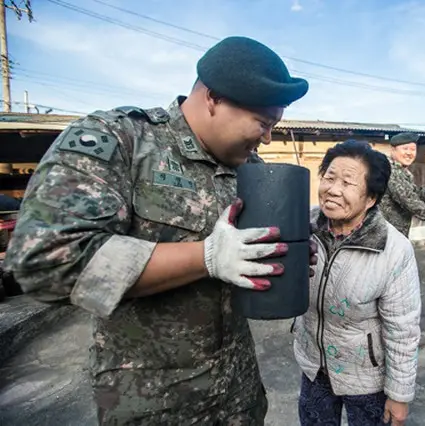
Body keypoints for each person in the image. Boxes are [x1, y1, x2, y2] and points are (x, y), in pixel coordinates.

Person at [3, 36, 315, 425]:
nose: (267, 138)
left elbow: (245, 252)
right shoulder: (122, 139)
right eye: (264, 123)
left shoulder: (247, 168)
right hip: (153, 404)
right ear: (214, 98)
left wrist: (278, 254)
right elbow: (46, 264)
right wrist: (206, 257)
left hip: (239, 397)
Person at [293, 140, 421, 426]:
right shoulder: (301, 226)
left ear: (371, 198)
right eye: (329, 177)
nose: (334, 190)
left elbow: (403, 329)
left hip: (366, 377)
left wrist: (399, 395)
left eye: (348, 183)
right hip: (315, 367)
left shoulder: (394, 249)